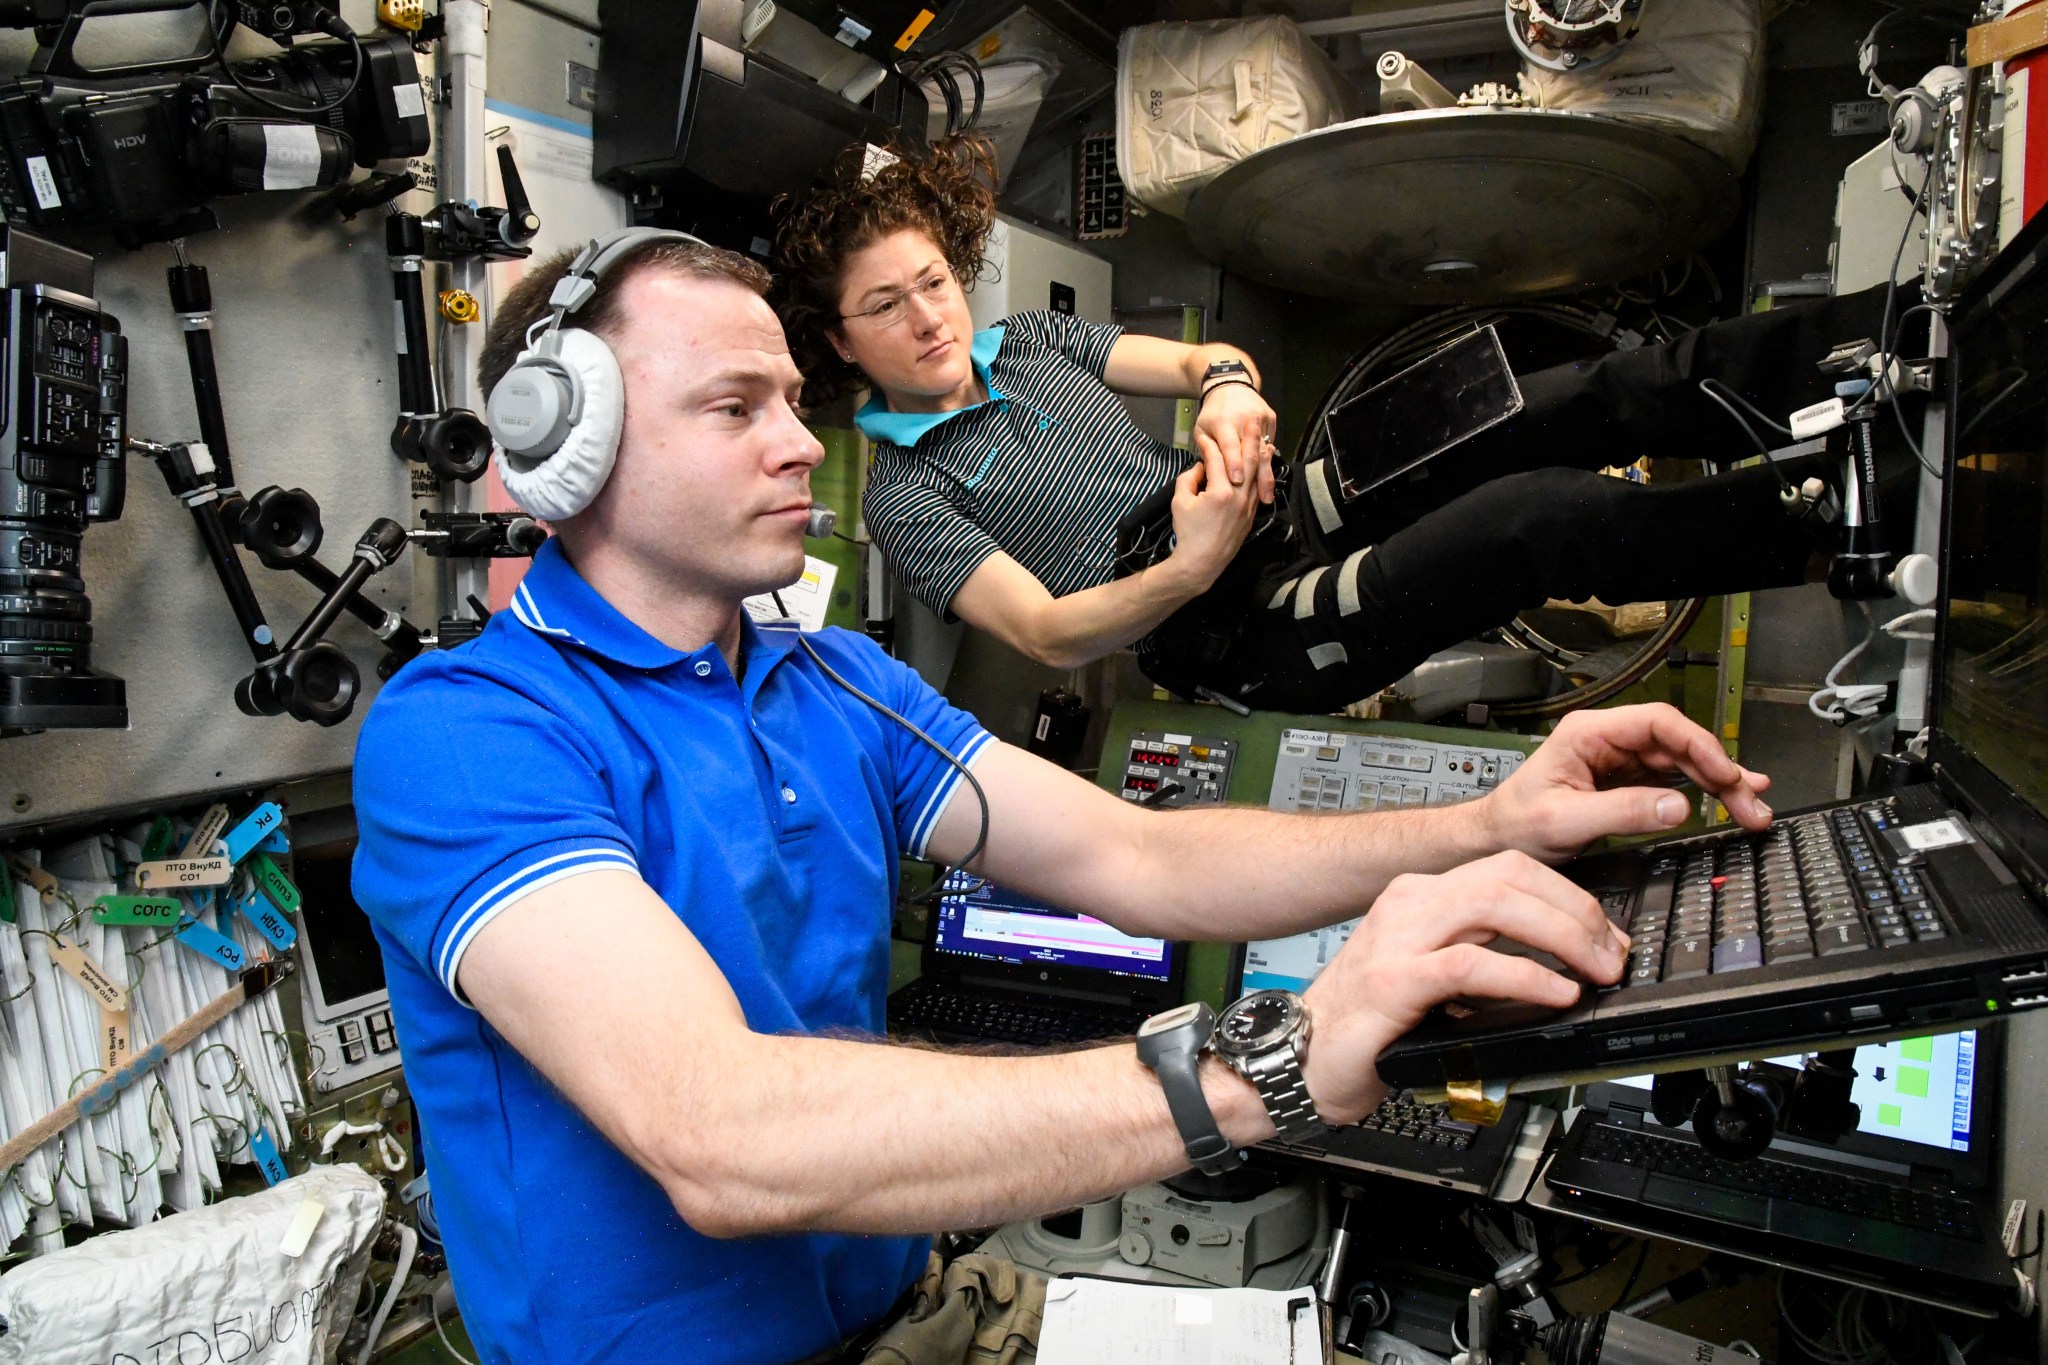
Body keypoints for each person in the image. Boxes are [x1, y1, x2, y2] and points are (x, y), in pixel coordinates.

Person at [350, 229, 1777, 1365]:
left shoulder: (832, 680)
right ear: (564, 450)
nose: (799, 443)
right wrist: (1270, 1062)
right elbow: (724, 1139)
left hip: (902, 1312)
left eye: (793, 397)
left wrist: (1486, 824)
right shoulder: (471, 735)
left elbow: (1140, 859)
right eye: (735, 408)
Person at [771, 136, 1907, 714]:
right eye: (884, 306)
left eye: (930, 282)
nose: (926, 316)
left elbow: (1205, 357)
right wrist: (1193, 566)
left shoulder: (1023, 342)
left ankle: (1892, 343)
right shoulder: (902, 496)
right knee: (1537, 523)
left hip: (1264, 509)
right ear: (836, 342)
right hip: (1229, 632)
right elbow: (1049, 636)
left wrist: (1223, 389)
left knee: (1567, 393)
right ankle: (1847, 520)